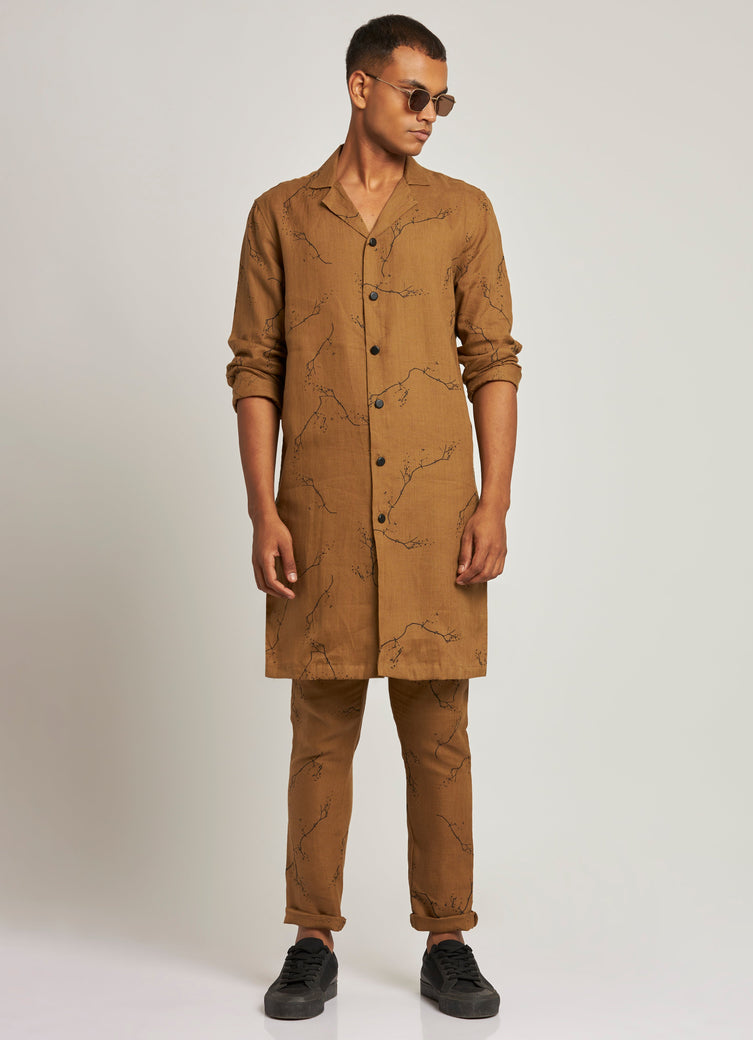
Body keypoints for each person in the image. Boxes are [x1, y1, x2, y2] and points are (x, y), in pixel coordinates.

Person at [225, 13, 522, 1021]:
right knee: (320, 731)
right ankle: (311, 940)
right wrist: (262, 507)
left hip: (435, 515)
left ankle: (448, 940)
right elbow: (255, 366)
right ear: (361, 88)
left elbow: (493, 360)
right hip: (319, 516)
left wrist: (493, 498)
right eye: (414, 94)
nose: (430, 115)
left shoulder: (463, 214)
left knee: (440, 733)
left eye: (442, 99)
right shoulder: (279, 215)